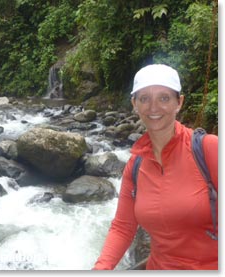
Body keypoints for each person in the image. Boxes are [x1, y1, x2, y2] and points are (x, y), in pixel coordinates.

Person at [93, 64, 218, 270]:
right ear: (135, 104)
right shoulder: (135, 164)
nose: (153, 107)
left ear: (179, 102)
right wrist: (100, 269)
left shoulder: (208, 149)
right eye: (144, 99)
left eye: (164, 98)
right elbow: (123, 227)